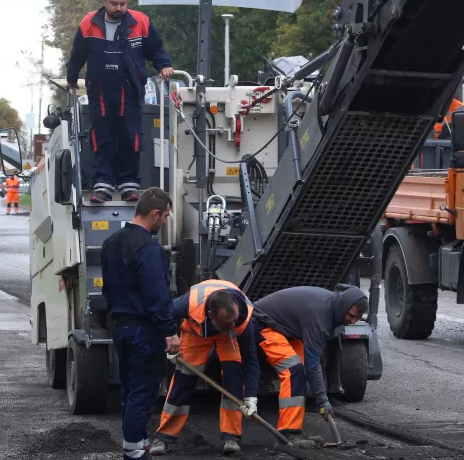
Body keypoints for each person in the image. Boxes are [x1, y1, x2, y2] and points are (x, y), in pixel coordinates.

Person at [66, 0, 175, 204]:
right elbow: (77, 53)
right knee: (102, 136)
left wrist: (164, 64)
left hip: (130, 90)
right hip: (100, 91)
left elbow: (156, 48)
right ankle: (102, 184)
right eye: (114, 4)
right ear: (104, 1)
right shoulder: (89, 24)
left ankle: (129, 184)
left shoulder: (140, 22)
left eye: (123, 4)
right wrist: (71, 78)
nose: (119, 8)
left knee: (130, 136)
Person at [101, 187, 180, 460]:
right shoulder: (148, 247)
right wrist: (169, 331)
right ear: (155, 214)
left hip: (120, 328)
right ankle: (135, 455)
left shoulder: (111, 242)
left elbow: (108, 289)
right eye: (166, 216)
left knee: (129, 393)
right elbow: (156, 294)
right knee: (142, 395)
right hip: (143, 331)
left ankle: (136, 448)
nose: (165, 222)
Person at [151, 279, 259, 456]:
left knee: (233, 375)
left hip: (228, 339)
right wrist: (169, 339)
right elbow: (160, 314)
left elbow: (251, 360)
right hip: (196, 334)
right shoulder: (188, 303)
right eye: (226, 323)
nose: (231, 325)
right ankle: (164, 437)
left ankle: (231, 437)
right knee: (183, 380)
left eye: (234, 320)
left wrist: (251, 396)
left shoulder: (242, 319)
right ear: (210, 314)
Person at [251, 285, 369, 440]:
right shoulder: (320, 316)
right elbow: (313, 364)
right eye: (351, 315)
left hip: (282, 330)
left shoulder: (332, 305)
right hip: (260, 324)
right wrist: (323, 400)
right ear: (344, 306)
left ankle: (294, 427)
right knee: (294, 370)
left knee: (302, 370)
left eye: (357, 318)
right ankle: (290, 432)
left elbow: (312, 362)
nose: (352, 321)